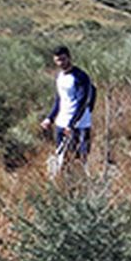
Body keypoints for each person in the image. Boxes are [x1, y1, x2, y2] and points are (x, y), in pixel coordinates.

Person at [39, 45, 96, 173]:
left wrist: (72, 124)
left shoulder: (81, 77)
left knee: (80, 159)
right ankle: (64, 186)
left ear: (69, 58)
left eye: (63, 59)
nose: (61, 63)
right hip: (62, 122)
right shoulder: (60, 77)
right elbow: (59, 99)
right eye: (58, 60)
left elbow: (83, 102)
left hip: (79, 125)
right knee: (61, 157)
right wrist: (50, 118)